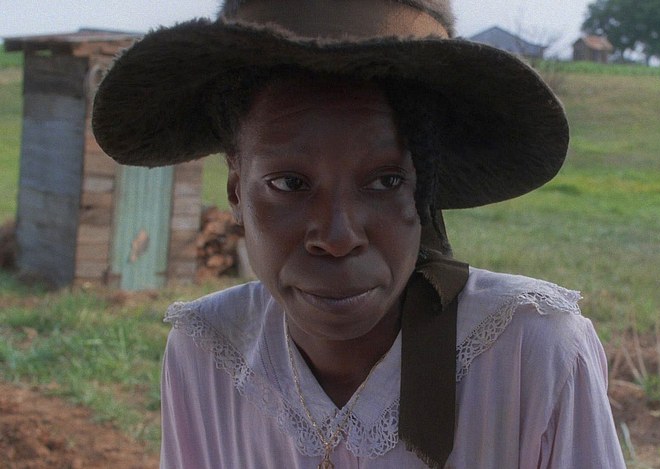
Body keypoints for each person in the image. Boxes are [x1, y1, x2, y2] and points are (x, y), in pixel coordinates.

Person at [92, 1, 626, 468]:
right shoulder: (208, 351)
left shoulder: (533, 355)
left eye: (386, 181)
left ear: (423, 189)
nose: (337, 236)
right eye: (289, 184)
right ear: (236, 190)